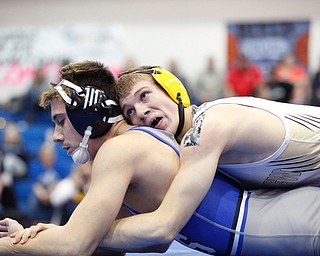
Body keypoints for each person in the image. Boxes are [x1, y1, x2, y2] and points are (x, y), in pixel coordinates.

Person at [1, 62, 320, 255]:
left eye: (59, 122)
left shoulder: (203, 130)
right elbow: (140, 243)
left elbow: (158, 231)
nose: (55, 136)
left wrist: (74, 231)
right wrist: (55, 235)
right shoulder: (152, 145)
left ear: (88, 116)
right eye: (129, 110)